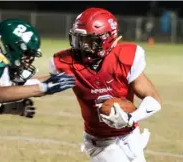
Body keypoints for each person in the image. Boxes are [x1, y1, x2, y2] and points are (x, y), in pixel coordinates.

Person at [0, 19, 75, 162]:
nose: (29, 60)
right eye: (27, 53)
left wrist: (7, 108)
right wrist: (44, 88)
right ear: (11, 47)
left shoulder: (2, 71)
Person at [49, 8, 161, 162]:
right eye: (79, 40)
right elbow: (43, 85)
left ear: (108, 39)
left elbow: (153, 99)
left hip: (130, 134)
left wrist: (130, 118)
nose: (82, 47)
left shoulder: (124, 58)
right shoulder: (66, 62)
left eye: (89, 42)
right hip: (100, 141)